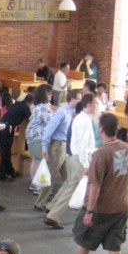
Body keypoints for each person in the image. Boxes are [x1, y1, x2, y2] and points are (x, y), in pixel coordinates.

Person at [59, 113, 128, 254]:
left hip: (101, 208)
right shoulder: (125, 148)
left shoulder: (100, 153)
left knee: (83, 239)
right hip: (121, 205)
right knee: (115, 246)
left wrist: (89, 211)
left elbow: (95, 185)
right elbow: (118, 173)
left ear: (101, 130)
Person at [44, 93, 97, 229]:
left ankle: (52, 208)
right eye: (95, 104)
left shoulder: (80, 118)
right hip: (80, 159)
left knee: (69, 185)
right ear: (89, 104)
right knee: (72, 188)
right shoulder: (84, 121)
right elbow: (83, 145)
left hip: (75, 157)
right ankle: (54, 215)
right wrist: (86, 164)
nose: (96, 107)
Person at [35, 89, 81, 214]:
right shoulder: (61, 112)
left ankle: (64, 201)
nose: (80, 101)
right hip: (58, 146)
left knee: (70, 177)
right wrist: (44, 148)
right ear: (72, 100)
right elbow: (48, 131)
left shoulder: (72, 112)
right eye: (78, 99)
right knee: (51, 175)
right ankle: (40, 202)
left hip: (65, 146)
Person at [0, 93, 32, 182]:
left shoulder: (17, 104)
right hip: (8, 128)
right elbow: (31, 120)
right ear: (30, 102)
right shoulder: (26, 108)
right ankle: (2, 174)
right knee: (6, 152)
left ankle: (9, 171)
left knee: (5, 152)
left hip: (2, 126)